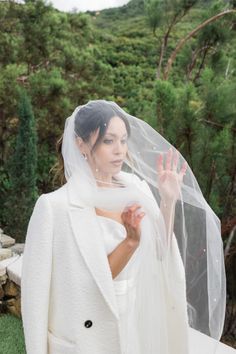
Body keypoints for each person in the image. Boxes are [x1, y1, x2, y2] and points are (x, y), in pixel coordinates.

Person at [21, 100, 229, 354]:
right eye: (109, 141)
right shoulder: (54, 208)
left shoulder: (136, 188)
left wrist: (167, 200)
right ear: (81, 144)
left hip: (135, 323)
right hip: (87, 338)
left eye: (123, 140)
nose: (120, 150)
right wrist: (130, 242)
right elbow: (37, 299)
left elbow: (160, 253)